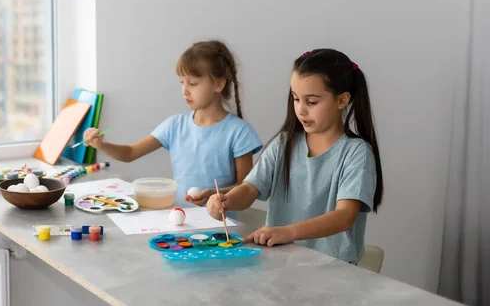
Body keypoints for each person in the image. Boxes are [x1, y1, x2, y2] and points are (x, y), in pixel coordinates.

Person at [206, 49, 383, 264]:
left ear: (342, 100)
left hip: (334, 271)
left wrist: (288, 232)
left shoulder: (356, 153)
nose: (301, 110)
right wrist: (226, 201)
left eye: (312, 102)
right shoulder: (283, 144)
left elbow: (344, 217)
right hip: (281, 264)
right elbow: (250, 189)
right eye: (296, 99)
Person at [84, 39, 262, 205]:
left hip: (222, 226)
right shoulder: (174, 125)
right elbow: (130, 153)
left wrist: (218, 195)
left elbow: (245, 187)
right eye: (182, 82)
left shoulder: (239, 132)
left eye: (192, 83)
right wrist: (101, 145)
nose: (185, 90)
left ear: (218, 84)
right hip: (180, 220)